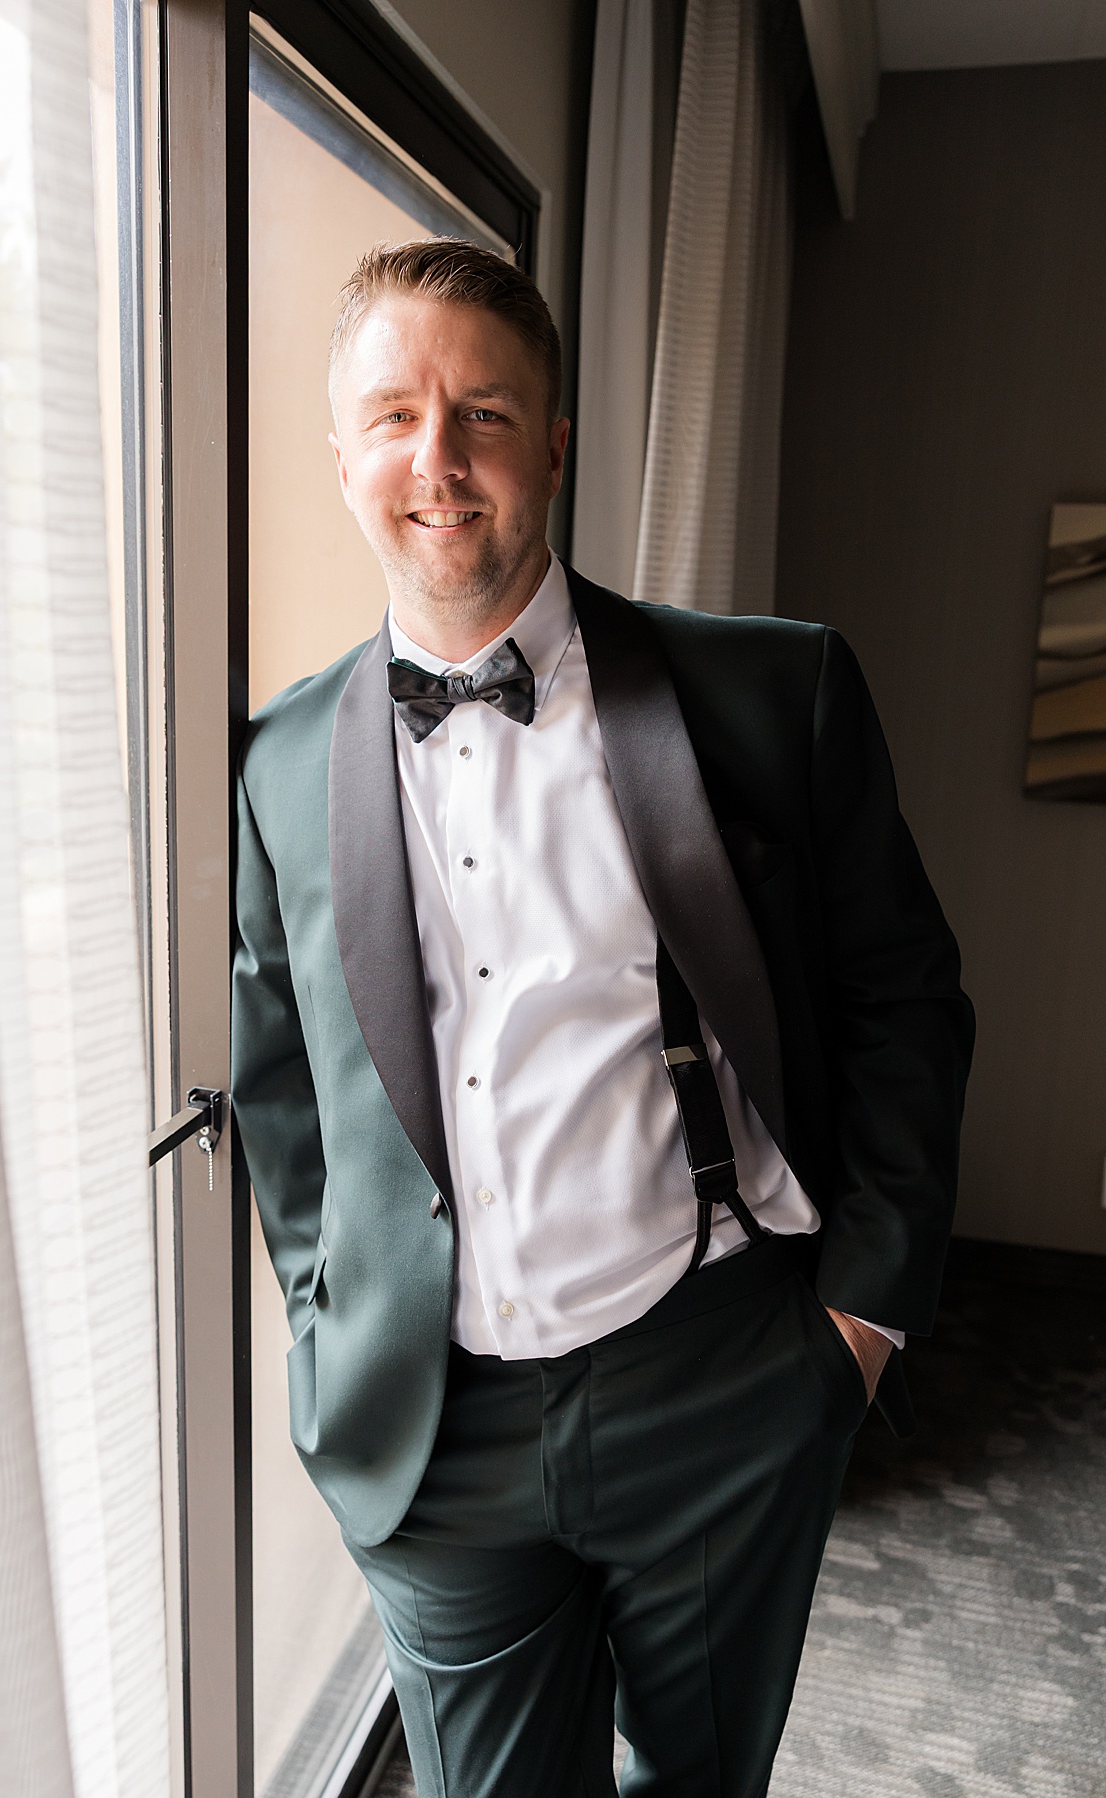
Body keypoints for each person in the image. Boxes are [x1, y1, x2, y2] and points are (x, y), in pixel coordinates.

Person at [231, 239, 972, 1795]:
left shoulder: (774, 693)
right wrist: (327, 1329)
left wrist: (860, 1320)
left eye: (483, 415)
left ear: (554, 444)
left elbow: (904, 999)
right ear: (342, 453)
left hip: (717, 1376)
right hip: (433, 1433)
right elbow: (282, 1090)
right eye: (394, 417)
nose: (437, 460)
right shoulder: (277, 761)